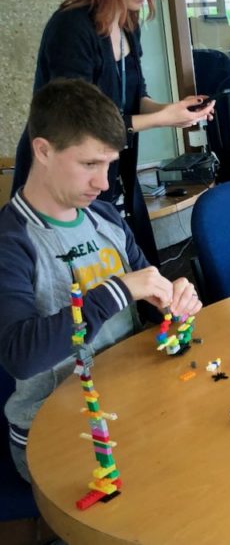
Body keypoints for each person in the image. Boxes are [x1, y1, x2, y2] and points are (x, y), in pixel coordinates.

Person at [0, 80, 202, 482]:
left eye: (109, 165)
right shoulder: (13, 241)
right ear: (43, 151)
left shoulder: (106, 217)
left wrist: (175, 301)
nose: (104, 183)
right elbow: (19, 355)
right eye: (90, 164)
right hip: (56, 429)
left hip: (131, 399)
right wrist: (119, 290)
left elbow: (149, 295)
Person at [11, 0, 213, 266]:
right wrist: (161, 118)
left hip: (113, 174)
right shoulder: (71, 28)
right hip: (64, 181)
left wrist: (173, 111)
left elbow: (137, 99)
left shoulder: (127, 24)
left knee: (140, 279)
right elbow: (79, 128)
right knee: (80, 293)